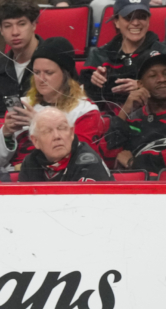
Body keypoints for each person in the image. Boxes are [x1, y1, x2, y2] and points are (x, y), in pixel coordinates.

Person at [0, 37, 104, 172]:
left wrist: (40, 123)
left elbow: (81, 159)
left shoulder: (84, 110)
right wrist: (6, 134)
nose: (41, 79)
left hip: (53, 178)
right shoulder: (23, 105)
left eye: (48, 73)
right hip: (11, 177)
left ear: (66, 75)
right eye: (36, 72)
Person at [103, 50, 166, 173]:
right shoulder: (132, 119)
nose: (162, 79)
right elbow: (108, 158)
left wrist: (133, 162)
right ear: (140, 84)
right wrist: (124, 111)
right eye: (153, 75)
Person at [80, 0, 166, 116]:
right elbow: (84, 102)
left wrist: (145, 87)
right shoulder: (99, 56)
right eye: (128, 17)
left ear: (148, 20)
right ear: (116, 22)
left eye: (142, 17)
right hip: (110, 122)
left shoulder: (164, 53)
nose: (136, 23)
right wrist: (94, 83)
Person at [19, 107, 113, 182]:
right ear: (35, 141)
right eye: (47, 131)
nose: (57, 136)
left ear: (71, 133)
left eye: (62, 128)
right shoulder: (30, 162)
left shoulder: (88, 162)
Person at [0, 0, 40, 116]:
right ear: (1, 30)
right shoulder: (1, 65)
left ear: (33, 25)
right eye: (7, 26)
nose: (15, 32)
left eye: (21, 24)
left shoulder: (55, 60)